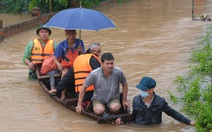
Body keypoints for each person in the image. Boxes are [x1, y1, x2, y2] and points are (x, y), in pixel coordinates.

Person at [114, 76, 195, 126]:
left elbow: (173, 113)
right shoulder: (136, 100)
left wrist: (189, 122)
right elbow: (133, 117)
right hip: (139, 127)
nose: (141, 91)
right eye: (140, 88)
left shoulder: (160, 102)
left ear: (152, 90)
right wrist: (122, 122)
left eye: (144, 89)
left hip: (155, 127)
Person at [54, 30, 85, 99]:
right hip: (66, 65)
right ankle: (63, 94)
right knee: (64, 73)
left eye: (73, 34)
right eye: (69, 34)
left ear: (76, 34)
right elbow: (55, 58)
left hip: (78, 64)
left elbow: (84, 55)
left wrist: (81, 51)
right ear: (66, 34)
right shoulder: (61, 45)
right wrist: (58, 64)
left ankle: (83, 93)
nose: (71, 36)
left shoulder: (80, 42)